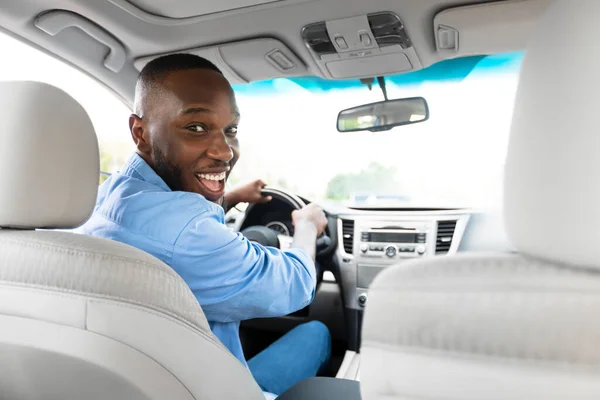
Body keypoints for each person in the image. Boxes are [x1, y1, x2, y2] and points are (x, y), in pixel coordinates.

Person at [77, 53, 331, 396]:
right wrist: (306, 226)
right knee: (317, 332)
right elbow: (297, 284)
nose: (225, 152)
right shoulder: (190, 233)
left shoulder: (103, 198)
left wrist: (234, 196)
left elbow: (164, 221)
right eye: (196, 127)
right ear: (140, 132)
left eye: (231, 130)